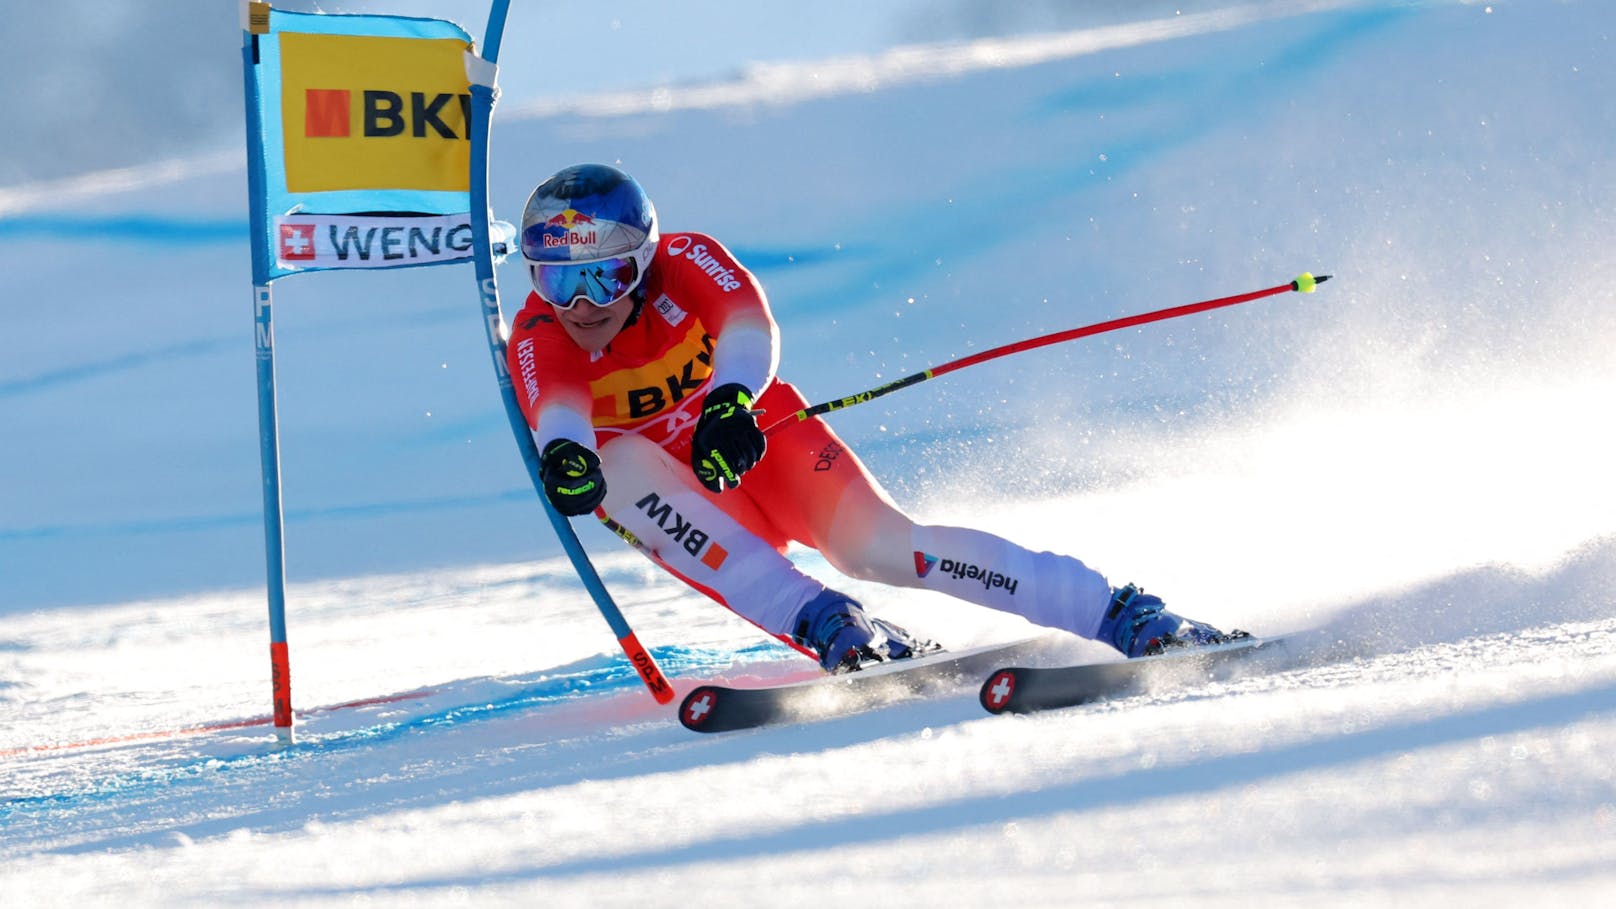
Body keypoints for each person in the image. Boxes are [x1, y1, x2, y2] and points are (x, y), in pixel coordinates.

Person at [506, 163, 1243, 673]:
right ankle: (828, 622)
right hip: (693, 504)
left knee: (882, 548)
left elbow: (749, 328)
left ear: (643, 260)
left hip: (757, 443)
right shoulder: (541, 334)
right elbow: (559, 414)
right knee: (618, 471)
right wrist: (567, 460)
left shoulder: (688, 259)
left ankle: (1120, 613)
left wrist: (729, 401)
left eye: (602, 273)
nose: (581, 304)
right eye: (556, 277)